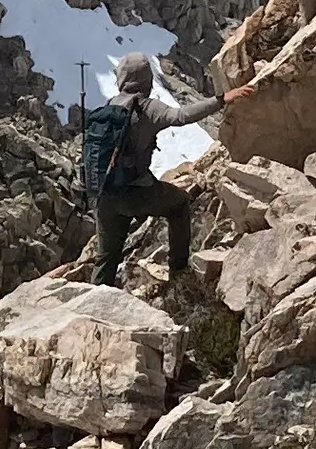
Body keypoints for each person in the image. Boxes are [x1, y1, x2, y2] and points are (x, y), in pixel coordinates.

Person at [82, 50, 238, 288]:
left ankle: (91, 303)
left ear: (122, 79)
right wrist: (221, 99)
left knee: (107, 257)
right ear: (147, 79)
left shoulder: (110, 106)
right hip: (136, 193)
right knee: (178, 204)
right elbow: (182, 116)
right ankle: (178, 272)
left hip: (104, 194)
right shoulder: (147, 108)